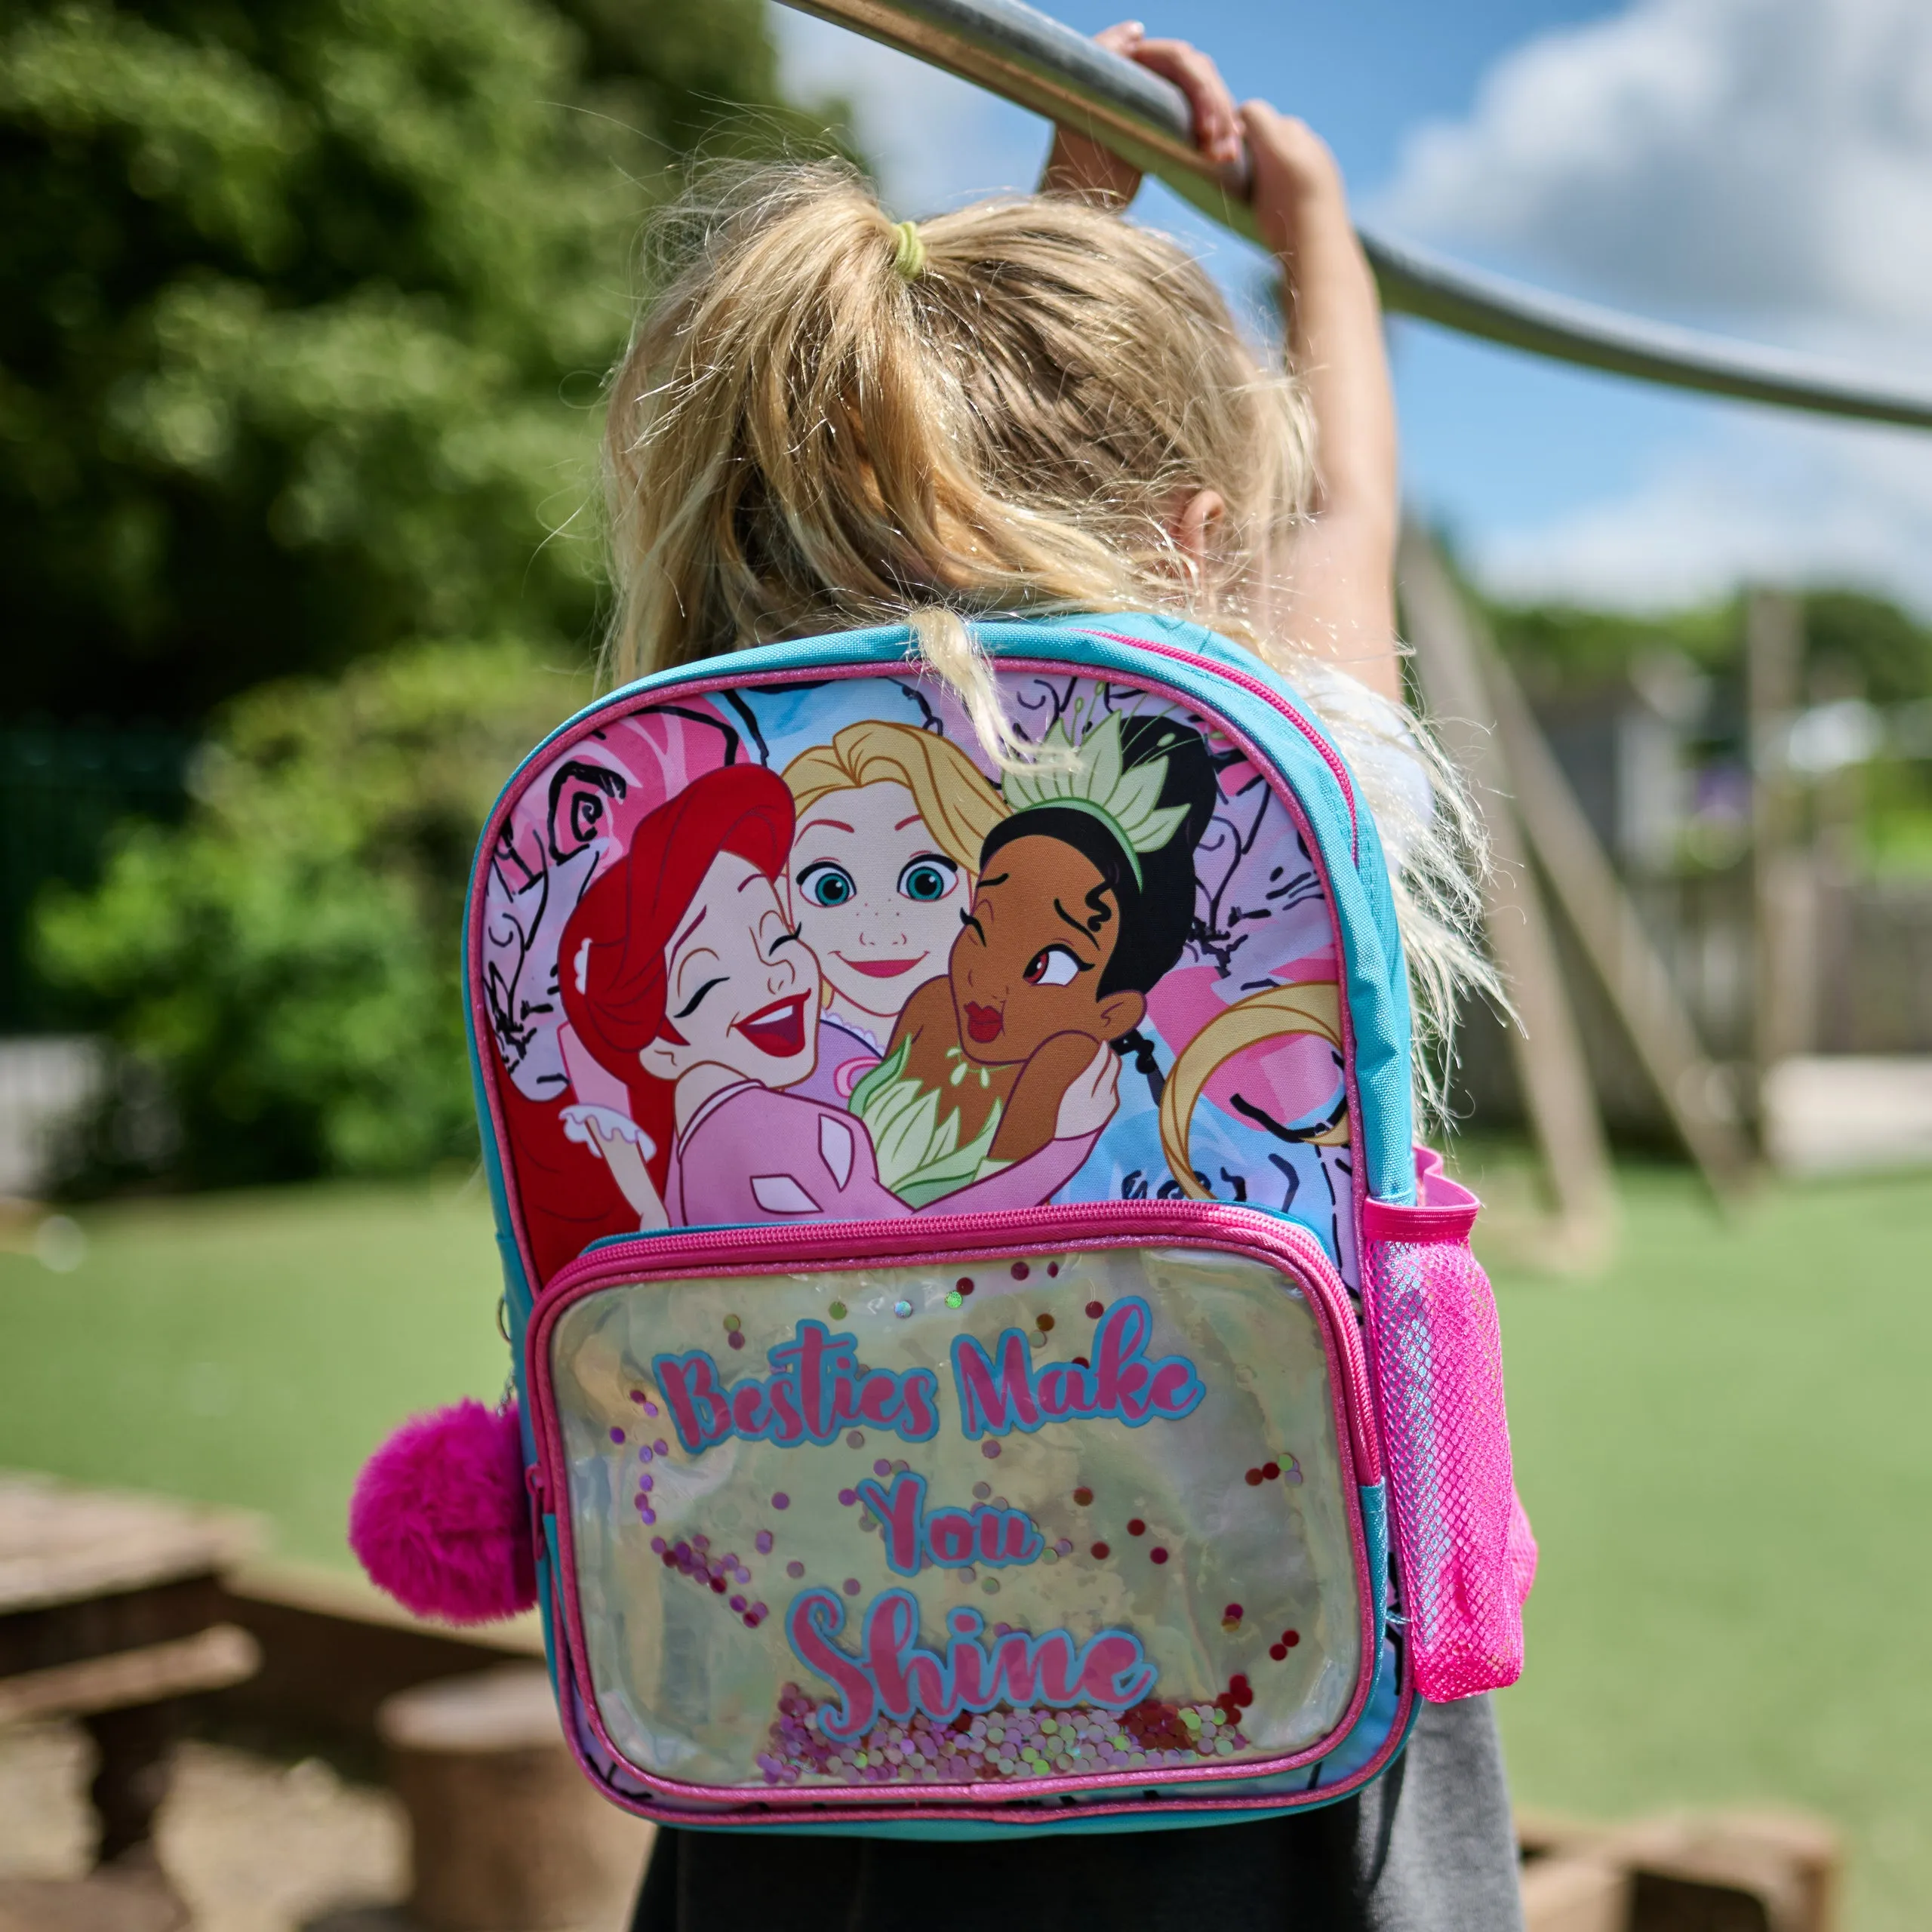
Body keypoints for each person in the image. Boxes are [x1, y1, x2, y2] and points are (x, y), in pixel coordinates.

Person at [601, 21, 1517, 1930]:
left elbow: (943, 515)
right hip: (1239, 1723)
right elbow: (1339, 515)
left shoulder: (714, 782)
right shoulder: (1274, 759)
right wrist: (1314, 246)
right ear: (1195, 543)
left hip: (811, 1724)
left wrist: (1055, 214)